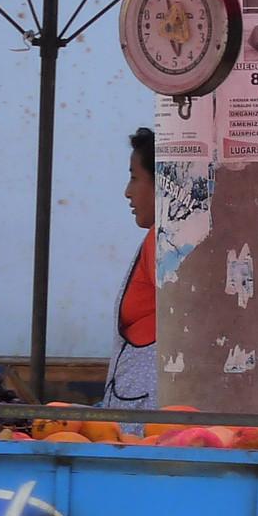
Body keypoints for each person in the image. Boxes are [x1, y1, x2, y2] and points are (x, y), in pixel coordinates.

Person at [104, 129, 158, 408]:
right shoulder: (159, 241)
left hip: (149, 424)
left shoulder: (163, 242)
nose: (127, 191)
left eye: (134, 177)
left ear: (162, 183)